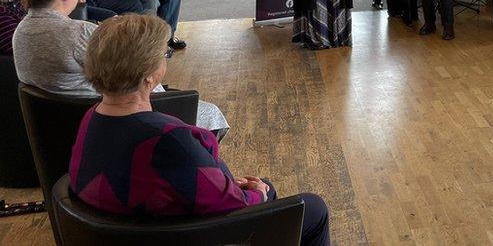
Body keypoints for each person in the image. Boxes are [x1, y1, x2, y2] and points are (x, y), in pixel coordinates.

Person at [69, 14, 329, 245]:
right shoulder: (170, 139)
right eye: (164, 54)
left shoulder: (91, 117)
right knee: (311, 208)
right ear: (147, 75)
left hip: (127, 227)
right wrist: (258, 196)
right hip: (176, 234)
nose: (165, 58)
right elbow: (230, 206)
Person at [12, 0, 227, 134]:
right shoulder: (78, 33)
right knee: (211, 114)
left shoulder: (20, 31)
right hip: (108, 120)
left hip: (54, 126)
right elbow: (129, 77)